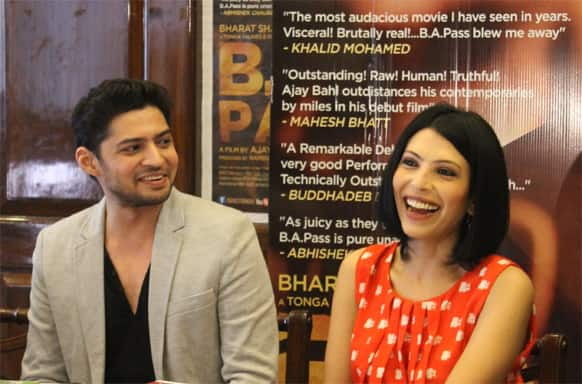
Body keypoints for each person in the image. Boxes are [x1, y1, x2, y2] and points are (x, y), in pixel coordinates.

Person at [21, 78, 278, 383]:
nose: (157, 159)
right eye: (133, 148)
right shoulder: (55, 246)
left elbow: (253, 376)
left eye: (164, 142)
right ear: (89, 162)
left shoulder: (228, 235)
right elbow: (43, 374)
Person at [324, 103, 536, 383]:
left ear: (474, 198)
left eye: (445, 172)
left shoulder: (505, 286)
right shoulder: (359, 269)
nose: (419, 182)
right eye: (410, 163)